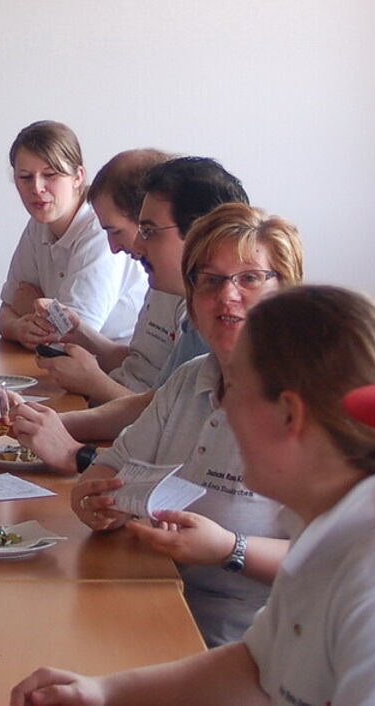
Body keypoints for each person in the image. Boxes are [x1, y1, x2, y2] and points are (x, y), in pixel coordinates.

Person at [10, 285, 375, 706]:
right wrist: (103, 692)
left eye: (234, 389)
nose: (219, 407)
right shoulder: (328, 526)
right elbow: (257, 667)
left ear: (289, 415)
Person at [60, 203, 303, 646]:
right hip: (147, 603)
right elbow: (109, 468)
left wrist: (229, 548)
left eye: (249, 278)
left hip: (242, 642)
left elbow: (336, 559)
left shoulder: (312, 401)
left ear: (286, 292)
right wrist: (94, 501)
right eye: (209, 280)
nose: (227, 295)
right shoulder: (191, 378)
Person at [12, 157, 248, 470]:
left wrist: (77, 454)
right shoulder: (194, 318)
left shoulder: (229, 327)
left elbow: (185, 471)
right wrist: (47, 424)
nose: (136, 246)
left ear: (201, 232)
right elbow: (154, 407)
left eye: (148, 231)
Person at [31, 149, 179, 404]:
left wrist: (94, 383)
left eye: (116, 231)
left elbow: (167, 416)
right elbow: (140, 366)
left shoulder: (191, 302)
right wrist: (80, 333)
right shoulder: (159, 282)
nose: (113, 247)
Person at [0, 121, 147, 349]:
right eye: (25, 177)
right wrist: (20, 328)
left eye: (50, 175)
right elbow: (5, 313)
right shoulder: (39, 223)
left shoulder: (100, 229)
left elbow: (73, 338)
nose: (37, 188)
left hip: (115, 364)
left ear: (78, 177)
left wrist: (28, 307)